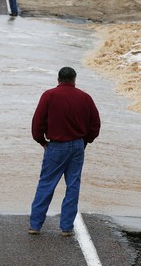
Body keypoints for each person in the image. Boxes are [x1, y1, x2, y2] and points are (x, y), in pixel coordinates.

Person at [28, 67, 101, 237]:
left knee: (46, 184)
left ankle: (35, 226)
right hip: (77, 145)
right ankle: (66, 228)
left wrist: (41, 141)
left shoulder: (49, 95)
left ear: (58, 79)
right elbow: (95, 124)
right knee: (73, 186)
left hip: (56, 145)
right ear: (74, 80)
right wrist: (85, 141)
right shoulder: (85, 97)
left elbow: (37, 122)